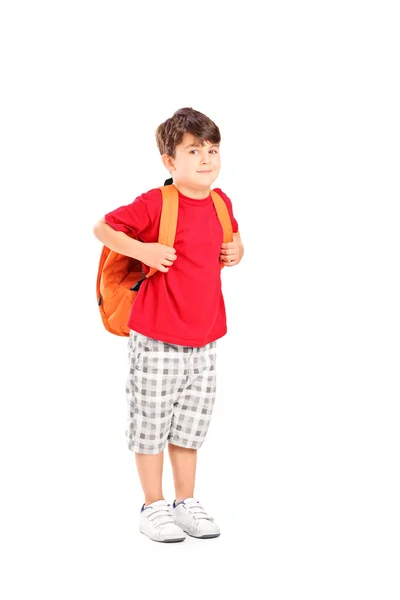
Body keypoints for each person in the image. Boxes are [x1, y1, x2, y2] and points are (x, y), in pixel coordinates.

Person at [93, 107, 244, 543]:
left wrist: (238, 251)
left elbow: (232, 238)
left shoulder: (220, 201)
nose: (205, 159)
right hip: (157, 333)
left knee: (190, 425)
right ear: (169, 162)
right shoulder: (157, 203)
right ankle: (152, 505)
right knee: (151, 420)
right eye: (193, 150)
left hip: (205, 335)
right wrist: (142, 253)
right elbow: (103, 227)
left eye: (212, 149)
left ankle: (185, 502)